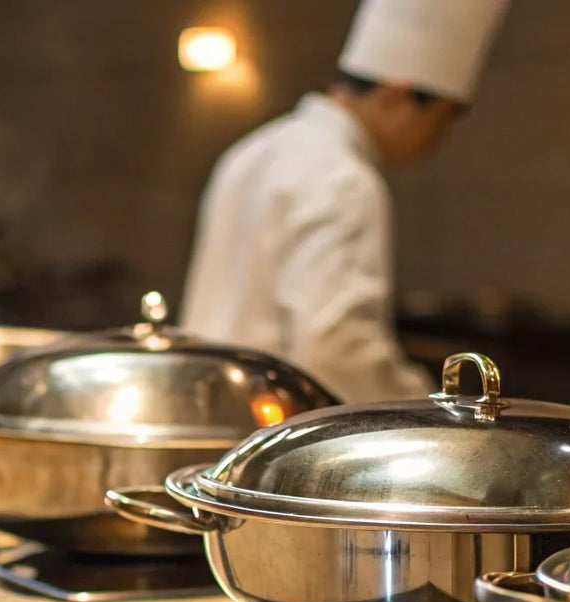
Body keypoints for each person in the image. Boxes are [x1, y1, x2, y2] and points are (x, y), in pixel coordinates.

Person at [180, 0, 511, 403]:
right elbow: (336, 350)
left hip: (204, 411)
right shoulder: (345, 178)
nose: (440, 140)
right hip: (273, 433)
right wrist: (429, 409)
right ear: (399, 97)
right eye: (441, 121)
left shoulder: (254, 148)